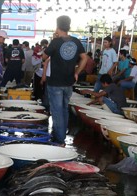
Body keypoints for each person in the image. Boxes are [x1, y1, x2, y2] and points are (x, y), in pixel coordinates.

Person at [43, 16, 87, 145]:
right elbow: (84, 58)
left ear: (57, 26)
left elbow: (44, 56)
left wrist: (53, 39)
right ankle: (59, 134)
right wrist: (77, 72)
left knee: (57, 111)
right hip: (69, 82)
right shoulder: (76, 41)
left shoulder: (56, 42)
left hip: (55, 82)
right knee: (64, 109)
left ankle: (59, 140)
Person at [33, 39, 49, 109]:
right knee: (39, 89)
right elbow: (33, 63)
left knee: (44, 91)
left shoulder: (49, 57)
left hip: (45, 74)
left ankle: (44, 105)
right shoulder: (38, 54)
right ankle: (39, 102)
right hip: (39, 73)